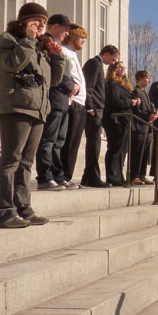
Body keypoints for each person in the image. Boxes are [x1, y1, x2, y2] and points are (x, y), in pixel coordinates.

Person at [0, 2, 65, 228]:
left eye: (43, 22)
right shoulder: (8, 40)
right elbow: (12, 64)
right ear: (24, 21)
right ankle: (4, 211)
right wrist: (28, 40)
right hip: (16, 107)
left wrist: (57, 57)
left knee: (26, 163)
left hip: (38, 110)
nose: (41, 25)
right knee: (11, 159)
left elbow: (53, 81)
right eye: (37, 21)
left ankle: (24, 208)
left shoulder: (39, 47)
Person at [35, 14, 75, 191]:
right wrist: (71, 85)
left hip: (62, 100)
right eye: (65, 30)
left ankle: (58, 176)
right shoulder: (46, 42)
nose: (67, 33)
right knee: (48, 140)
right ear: (56, 26)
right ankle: (45, 177)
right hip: (53, 98)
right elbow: (53, 74)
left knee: (58, 141)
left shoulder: (57, 46)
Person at [81, 44, 120, 187]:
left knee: (95, 144)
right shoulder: (94, 63)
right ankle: (92, 178)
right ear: (107, 54)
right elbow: (88, 87)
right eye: (114, 59)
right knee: (94, 144)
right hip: (94, 110)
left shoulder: (98, 65)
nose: (114, 63)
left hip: (98, 110)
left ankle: (88, 176)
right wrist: (90, 107)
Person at [59, 23, 89, 188]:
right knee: (68, 141)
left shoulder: (72, 54)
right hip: (73, 102)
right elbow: (63, 74)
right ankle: (63, 175)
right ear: (72, 36)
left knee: (74, 141)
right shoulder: (64, 52)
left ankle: (67, 175)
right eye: (81, 37)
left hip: (80, 103)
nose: (84, 40)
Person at [102, 61, 139, 186]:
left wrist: (134, 102)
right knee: (115, 148)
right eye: (120, 68)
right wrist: (131, 102)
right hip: (115, 121)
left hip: (125, 121)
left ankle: (119, 175)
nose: (123, 70)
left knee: (122, 150)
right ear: (113, 70)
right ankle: (112, 176)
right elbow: (114, 101)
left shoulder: (125, 86)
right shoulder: (112, 84)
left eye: (124, 68)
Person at [130, 70, 158, 185]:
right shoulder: (135, 92)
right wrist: (148, 115)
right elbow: (136, 111)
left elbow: (149, 108)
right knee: (137, 152)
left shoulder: (145, 93)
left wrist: (154, 113)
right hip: (139, 127)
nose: (149, 80)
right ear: (140, 78)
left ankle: (142, 175)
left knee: (145, 153)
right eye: (147, 78)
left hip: (147, 127)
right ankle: (134, 175)